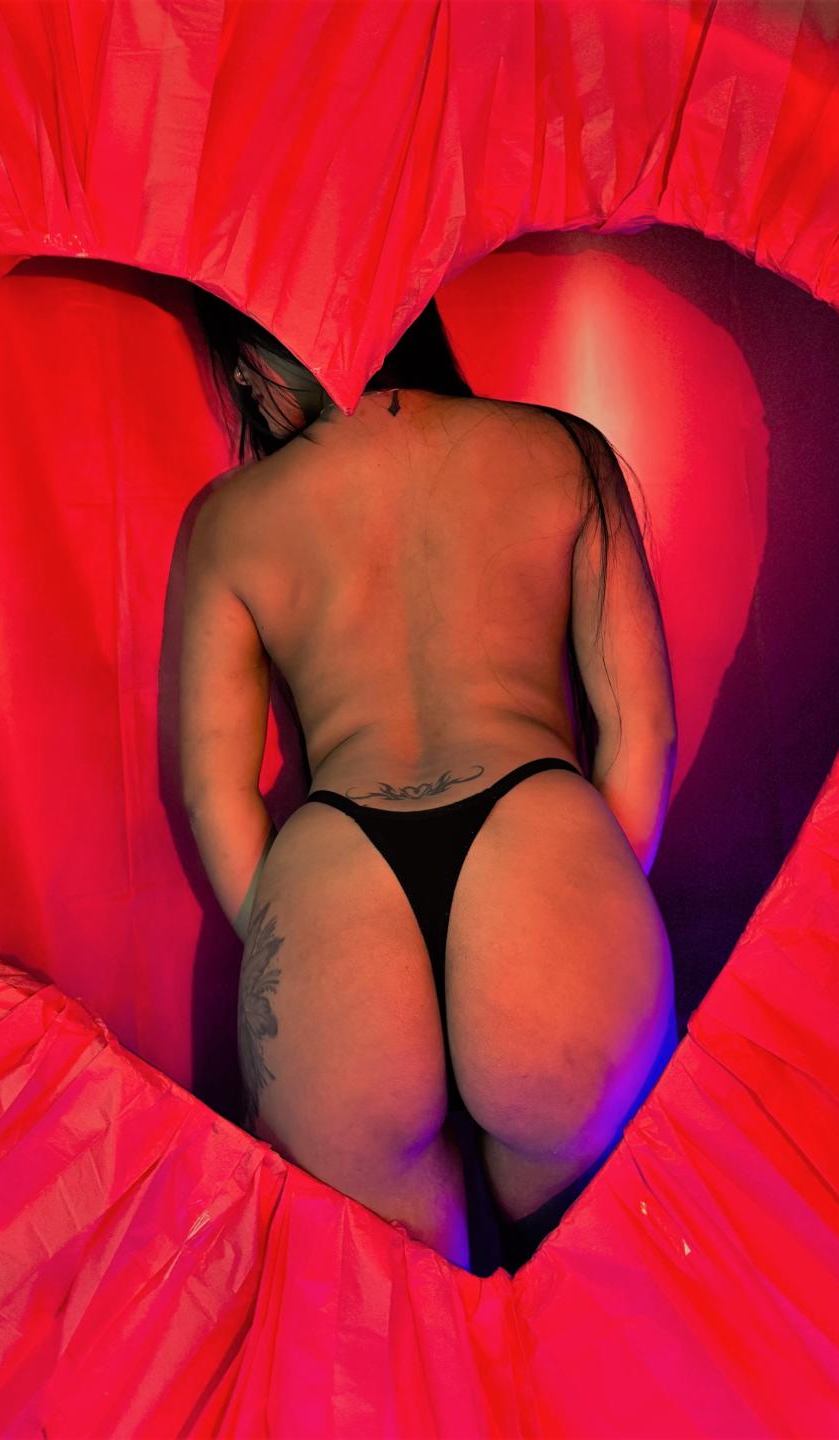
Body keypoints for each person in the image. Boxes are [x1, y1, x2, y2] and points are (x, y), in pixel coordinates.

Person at [180, 289, 679, 1276]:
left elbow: (215, 794)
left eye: (240, 353)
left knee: (397, 1341)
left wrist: (289, 933)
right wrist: (591, 883)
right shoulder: (560, 451)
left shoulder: (232, 520)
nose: (242, 381)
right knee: (602, 1311)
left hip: (332, 889)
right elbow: (639, 732)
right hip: (543, 846)